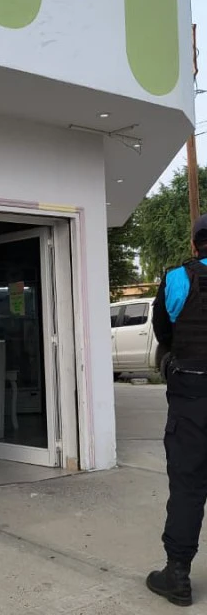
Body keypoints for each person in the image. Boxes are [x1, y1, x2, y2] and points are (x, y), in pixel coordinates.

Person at [147, 214, 207, 607]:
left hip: (192, 395)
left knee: (188, 484)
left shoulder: (177, 278)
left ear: (194, 244)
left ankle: (178, 575)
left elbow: (163, 331)